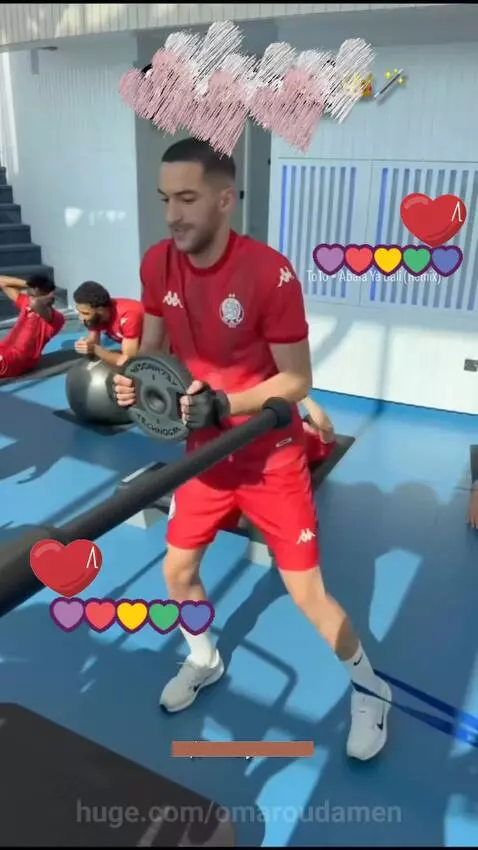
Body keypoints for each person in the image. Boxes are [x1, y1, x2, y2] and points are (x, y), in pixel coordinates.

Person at [113, 137, 392, 761]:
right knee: (177, 571)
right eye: (166, 199)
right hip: (204, 461)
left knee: (307, 592)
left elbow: (297, 381)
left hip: (268, 458)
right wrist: (132, 376)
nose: (173, 214)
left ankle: (370, 688)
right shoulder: (158, 262)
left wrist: (227, 404)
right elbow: (155, 353)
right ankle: (204, 657)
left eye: (187, 199)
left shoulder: (270, 273)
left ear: (225, 198)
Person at [0, 274, 65, 379]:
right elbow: (1, 281)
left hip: (15, 361)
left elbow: (36, 304)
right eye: (29, 295)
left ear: (49, 296)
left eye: (34, 295)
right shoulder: (27, 301)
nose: (29, 298)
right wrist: (28, 284)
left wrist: (48, 295)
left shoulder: (56, 318)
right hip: (2, 350)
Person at [73, 280, 144, 367]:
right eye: (79, 312)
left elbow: (128, 362)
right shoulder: (97, 316)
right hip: (138, 345)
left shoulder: (128, 316)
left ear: (101, 310)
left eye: (85, 313)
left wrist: (96, 349)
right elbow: (93, 342)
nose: (81, 318)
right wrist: (86, 346)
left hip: (160, 348)